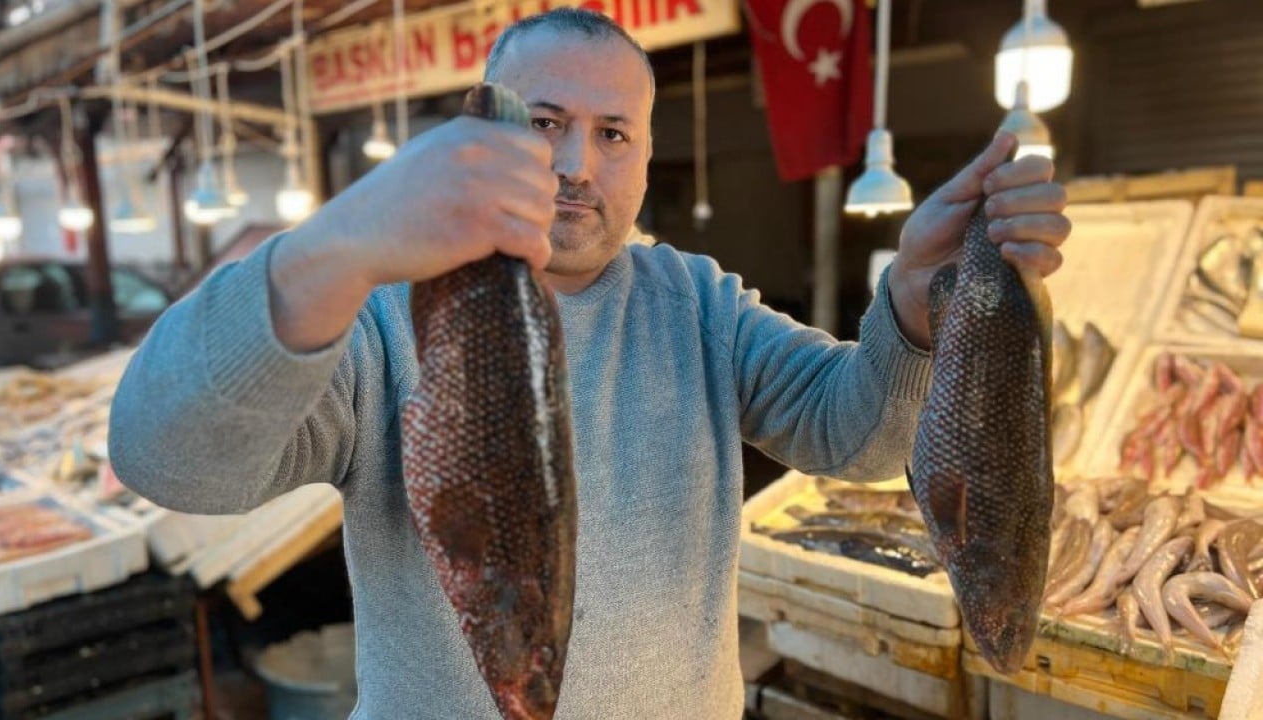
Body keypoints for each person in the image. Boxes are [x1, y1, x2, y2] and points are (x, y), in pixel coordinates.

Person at [109, 8, 1070, 719]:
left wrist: (911, 298)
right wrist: (337, 243)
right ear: (479, 140)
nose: (574, 163)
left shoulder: (695, 302)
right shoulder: (385, 319)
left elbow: (852, 435)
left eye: (612, 134)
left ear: (646, 161)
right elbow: (169, 460)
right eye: (542, 122)